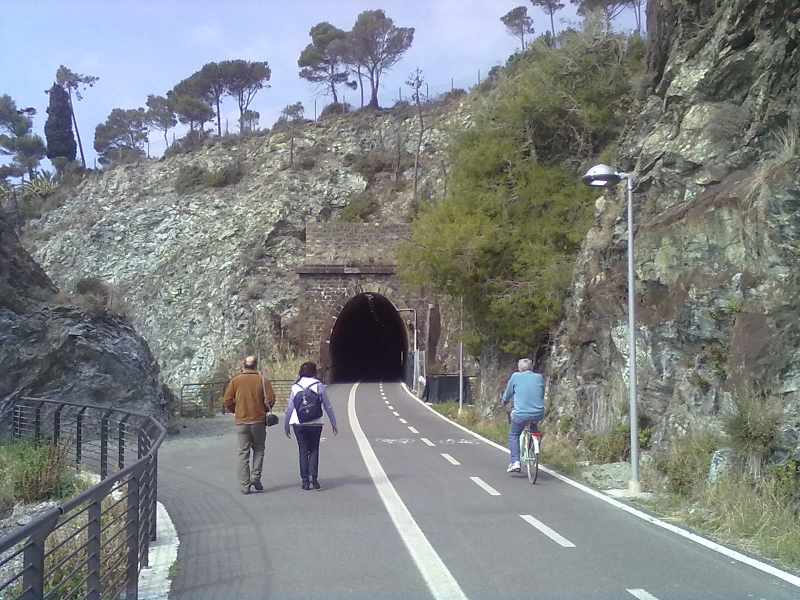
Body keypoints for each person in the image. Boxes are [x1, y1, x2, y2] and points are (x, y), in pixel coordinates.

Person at [222, 356, 276, 494]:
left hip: (241, 421)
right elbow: (270, 399)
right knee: (259, 450)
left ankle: (245, 485)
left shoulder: (235, 381)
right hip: (258, 421)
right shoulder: (263, 381)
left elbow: (227, 400)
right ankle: (255, 477)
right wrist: (262, 409)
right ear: (256, 366)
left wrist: (236, 409)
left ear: (243, 365)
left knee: (243, 453)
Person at [284, 361, 338, 490]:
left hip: (298, 423)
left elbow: (290, 409)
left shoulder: (295, 386)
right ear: (314, 372)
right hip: (316, 422)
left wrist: (286, 425)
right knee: (314, 449)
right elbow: (327, 405)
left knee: (303, 450)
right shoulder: (318, 385)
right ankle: (314, 477)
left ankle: (304, 481)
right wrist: (333, 423)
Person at [501, 357, 545, 473]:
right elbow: (541, 393)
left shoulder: (516, 376)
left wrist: (504, 400)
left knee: (514, 434)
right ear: (531, 368)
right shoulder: (539, 377)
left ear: (519, 369)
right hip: (538, 413)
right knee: (533, 427)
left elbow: (508, 392)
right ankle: (533, 446)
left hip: (521, 414)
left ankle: (515, 461)